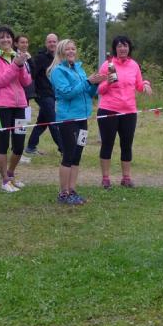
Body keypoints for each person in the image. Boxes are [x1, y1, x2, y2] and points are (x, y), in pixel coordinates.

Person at [48, 39, 104, 205]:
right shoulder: (58, 71)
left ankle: (72, 190)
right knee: (69, 154)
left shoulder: (78, 68)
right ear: (61, 52)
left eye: (73, 49)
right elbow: (67, 93)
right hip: (68, 119)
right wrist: (87, 82)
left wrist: (95, 84)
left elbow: (88, 92)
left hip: (82, 118)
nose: (71, 51)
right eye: (67, 49)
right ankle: (63, 193)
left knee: (77, 155)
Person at [96, 35, 152, 189]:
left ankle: (126, 178)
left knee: (127, 145)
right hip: (109, 110)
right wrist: (108, 82)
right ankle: (105, 178)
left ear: (129, 48)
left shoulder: (134, 65)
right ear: (115, 49)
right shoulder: (108, 65)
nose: (122, 48)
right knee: (107, 144)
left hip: (129, 112)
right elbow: (99, 90)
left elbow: (139, 85)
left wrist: (146, 84)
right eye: (119, 46)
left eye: (125, 45)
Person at [0, 26, 32, 192]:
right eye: (2, 37)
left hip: (20, 105)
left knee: (19, 145)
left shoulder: (16, 56)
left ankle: (11, 175)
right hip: (1, 106)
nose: (5, 40)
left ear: (13, 40)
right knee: (3, 143)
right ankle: (4, 180)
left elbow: (26, 82)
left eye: (8, 37)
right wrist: (16, 65)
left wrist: (21, 64)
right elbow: (0, 81)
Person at [25, 33, 62, 156]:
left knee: (42, 122)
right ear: (46, 44)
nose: (52, 44)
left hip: (53, 94)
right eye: (49, 42)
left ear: (58, 43)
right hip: (43, 95)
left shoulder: (59, 58)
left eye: (54, 41)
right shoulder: (40, 58)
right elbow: (32, 74)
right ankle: (63, 149)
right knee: (53, 122)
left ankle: (31, 147)